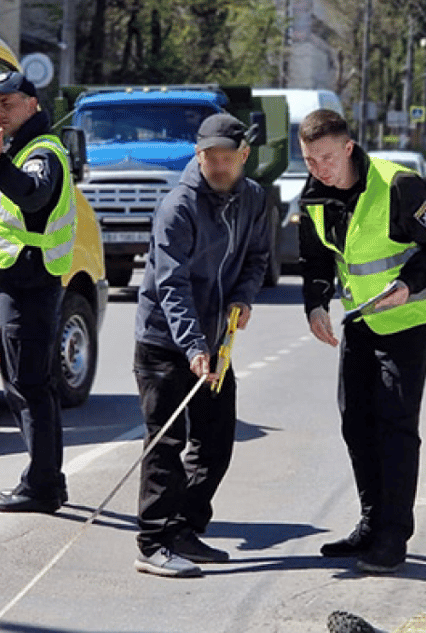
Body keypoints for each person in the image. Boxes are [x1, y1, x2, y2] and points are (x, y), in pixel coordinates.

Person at [297, 110, 426, 574]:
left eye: (326, 158)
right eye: (309, 160)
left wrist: (408, 284)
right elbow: (314, 259)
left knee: (396, 427)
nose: (319, 169)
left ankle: (393, 537)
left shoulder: (398, 185)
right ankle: (370, 524)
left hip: (408, 320)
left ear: (348, 148)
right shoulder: (314, 196)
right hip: (361, 322)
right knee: (356, 423)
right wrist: (315, 304)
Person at [132, 113, 271, 578]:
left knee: (215, 442)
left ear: (245, 156)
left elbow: (257, 257)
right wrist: (193, 346)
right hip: (164, 341)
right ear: (198, 154)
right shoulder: (179, 206)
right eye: (209, 156)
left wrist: (242, 298)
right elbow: (171, 285)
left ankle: (184, 528)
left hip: (216, 340)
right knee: (166, 441)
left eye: (226, 157)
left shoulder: (254, 198)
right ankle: (152, 542)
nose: (217, 165)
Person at [0, 70, 76, 513]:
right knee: (31, 387)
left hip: (30, 285)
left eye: (8, 103)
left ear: (32, 104)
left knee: (29, 388)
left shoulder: (41, 152)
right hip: (22, 284)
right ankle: (47, 480)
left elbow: (32, 197)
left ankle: (42, 485)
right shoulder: (22, 148)